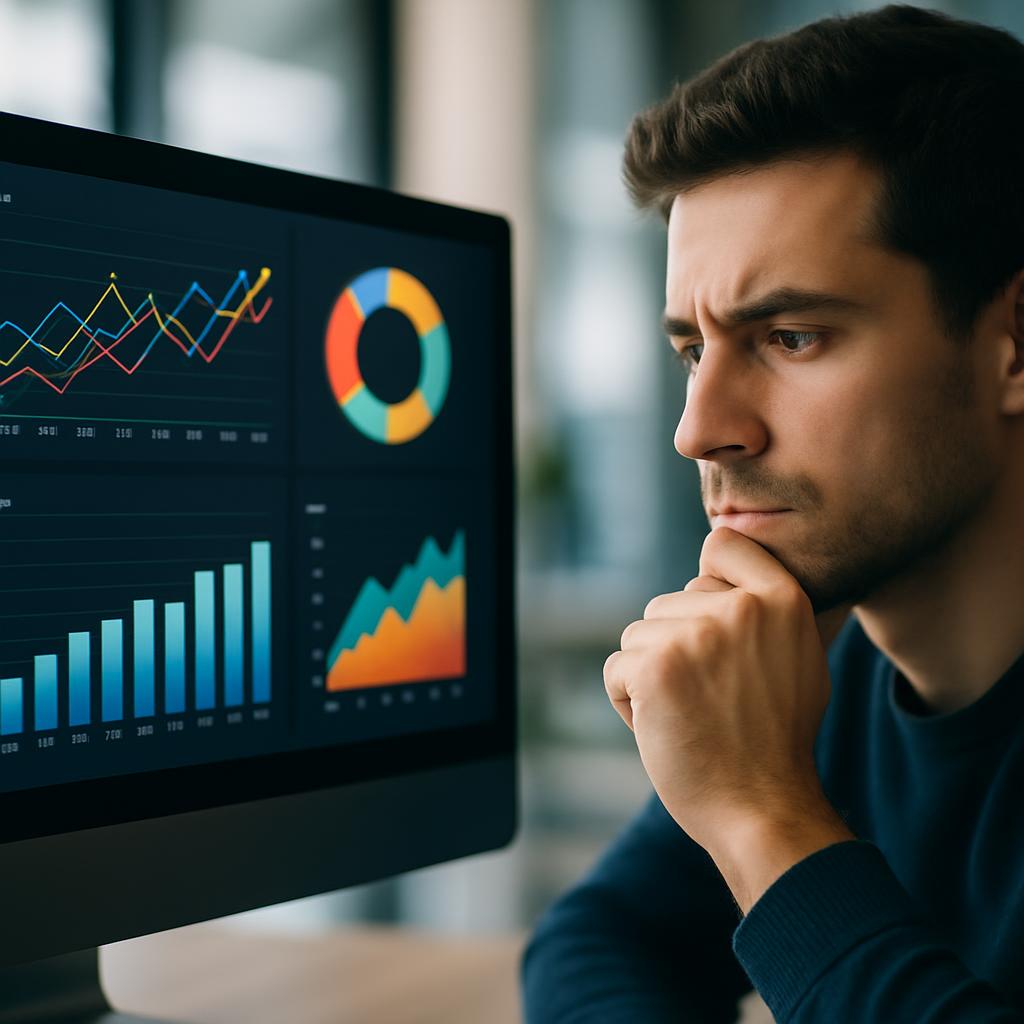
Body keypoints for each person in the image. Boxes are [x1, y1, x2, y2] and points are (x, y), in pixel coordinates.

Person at [519, 5, 1024, 1021]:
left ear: (1011, 341)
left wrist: (761, 812)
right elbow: (595, 936)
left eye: (789, 336)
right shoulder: (830, 678)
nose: (698, 430)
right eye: (690, 352)